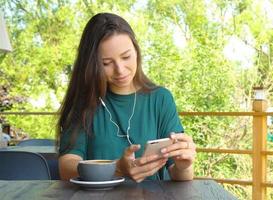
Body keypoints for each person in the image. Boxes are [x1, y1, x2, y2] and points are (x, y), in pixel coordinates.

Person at [57, 13, 196, 182]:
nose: (120, 70)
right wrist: (116, 169)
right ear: (92, 64)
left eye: (126, 57)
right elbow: (67, 167)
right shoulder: (84, 102)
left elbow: (179, 174)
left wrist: (184, 166)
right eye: (106, 63)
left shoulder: (160, 99)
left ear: (136, 51)